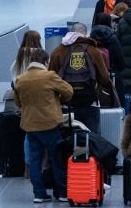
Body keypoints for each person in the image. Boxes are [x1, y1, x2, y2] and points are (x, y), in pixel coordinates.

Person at [13, 47, 73, 203]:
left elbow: (18, 102)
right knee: (56, 159)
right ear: (46, 62)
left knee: (35, 161)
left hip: (30, 125)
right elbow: (69, 91)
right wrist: (57, 98)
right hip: (50, 124)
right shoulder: (49, 76)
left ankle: (39, 194)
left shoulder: (20, 79)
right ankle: (61, 192)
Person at [48, 27, 113, 134]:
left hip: (66, 104)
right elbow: (105, 79)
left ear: (70, 32)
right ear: (85, 34)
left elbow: (51, 77)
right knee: (93, 139)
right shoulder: (93, 50)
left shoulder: (58, 51)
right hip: (90, 102)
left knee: (66, 140)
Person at [90, 13, 126, 95]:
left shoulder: (90, 40)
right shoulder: (113, 39)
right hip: (112, 75)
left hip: (93, 77)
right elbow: (121, 63)